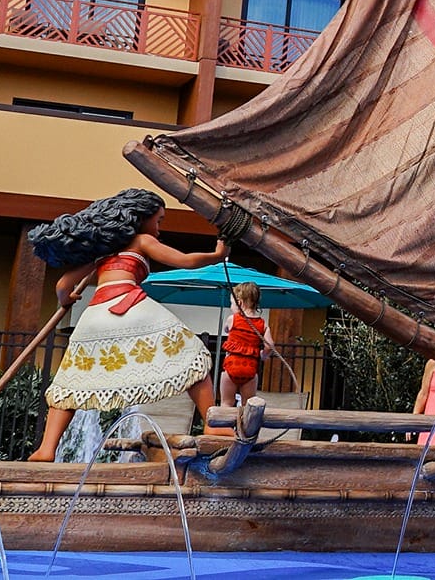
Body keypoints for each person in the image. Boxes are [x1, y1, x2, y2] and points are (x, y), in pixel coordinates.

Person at [25, 188, 230, 461]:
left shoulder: (104, 251)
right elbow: (184, 261)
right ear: (141, 218)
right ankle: (211, 424)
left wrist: (67, 300)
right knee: (194, 356)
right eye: (158, 221)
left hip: (95, 314)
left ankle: (46, 449)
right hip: (131, 306)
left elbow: (62, 285)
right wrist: (217, 254)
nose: (159, 229)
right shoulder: (142, 240)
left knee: (69, 383)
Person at [219, 281, 279, 408]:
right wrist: (263, 355)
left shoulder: (233, 319)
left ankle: (225, 421)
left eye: (232, 303)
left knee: (226, 403)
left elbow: (226, 329)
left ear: (240, 303)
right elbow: (270, 345)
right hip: (250, 370)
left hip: (231, 367)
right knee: (247, 405)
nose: (231, 307)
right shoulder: (262, 324)